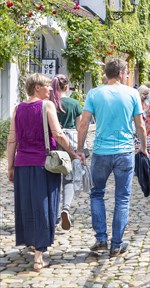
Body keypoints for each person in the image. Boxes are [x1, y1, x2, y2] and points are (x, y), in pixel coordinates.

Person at [6, 73, 80, 271]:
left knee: (26, 205)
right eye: (47, 86)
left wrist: (10, 166)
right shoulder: (46, 106)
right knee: (44, 206)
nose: (50, 90)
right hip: (43, 165)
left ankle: (31, 242)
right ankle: (39, 255)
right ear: (37, 87)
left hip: (22, 164)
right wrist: (73, 153)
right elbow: (58, 133)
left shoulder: (17, 108)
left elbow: (12, 140)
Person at [76, 59, 148, 257]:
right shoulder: (132, 94)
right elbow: (140, 125)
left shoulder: (94, 93)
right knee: (122, 198)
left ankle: (101, 239)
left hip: (101, 152)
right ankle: (116, 244)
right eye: (126, 73)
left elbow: (83, 124)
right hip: (125, 152)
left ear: (107, 74)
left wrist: (80, 149)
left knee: (97, 193)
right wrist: (142, 147)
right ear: (122, 73)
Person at [49, 74, 83, 231]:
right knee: (68, 178)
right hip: (70, 142)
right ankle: (66, 209)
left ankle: (54, 213)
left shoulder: (48, 104)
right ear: (66, 87)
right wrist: (81, 149)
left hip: (53, 141)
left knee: (53, 176)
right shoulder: (74, 103)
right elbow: (80, 127)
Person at [137, 85, 150, 157]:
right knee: (138, 147)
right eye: (144, 94)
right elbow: (138, 115)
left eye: (147, 94)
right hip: (140, 126)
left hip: (148, 126)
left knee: (148, 148)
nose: (146, 96)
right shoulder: (137, 103)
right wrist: (146, 111)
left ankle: (144, 163)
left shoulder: (147, 102)